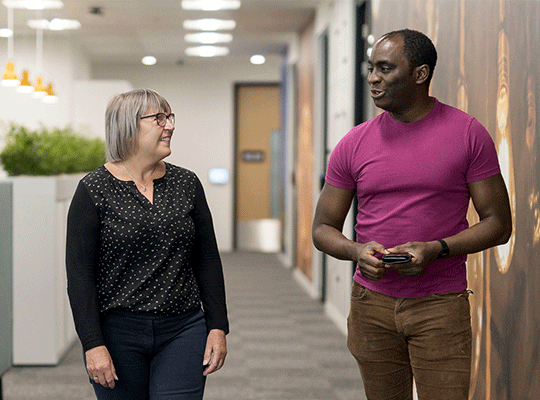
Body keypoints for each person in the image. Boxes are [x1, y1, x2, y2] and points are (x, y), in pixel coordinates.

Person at [312, 29, 512, 400]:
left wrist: (436, 248)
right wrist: (357, 252)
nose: (373, 78)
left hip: (440, 306)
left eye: (385, 68)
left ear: (420, 74)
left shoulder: (468, 134)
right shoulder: (353, 143)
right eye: (371, 68)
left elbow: (499, 224)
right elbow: (323, 228)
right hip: (370, 304)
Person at [66, 88, 228, 400]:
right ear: (128, 126)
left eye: (169, 117)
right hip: (117, 333)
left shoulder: (187, 183)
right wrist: (92, 344)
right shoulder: (93, 190)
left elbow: (207, 260)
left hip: (183, 327)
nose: (170, 125)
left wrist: (218, 326)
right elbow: (79, 277)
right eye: (159, 118)